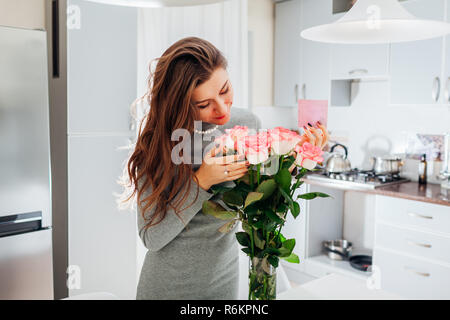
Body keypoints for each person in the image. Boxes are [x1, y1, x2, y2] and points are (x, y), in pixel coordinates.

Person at [125, 37, 328, 300]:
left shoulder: (245, 123)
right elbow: (151, 238)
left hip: (224, 283)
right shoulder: (160, 145)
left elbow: (262, 193)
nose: (222, 109)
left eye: (224, 90)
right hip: (169, 288)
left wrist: (296, 156)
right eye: (203, 104)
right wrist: (200, 183)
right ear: (180, 104)